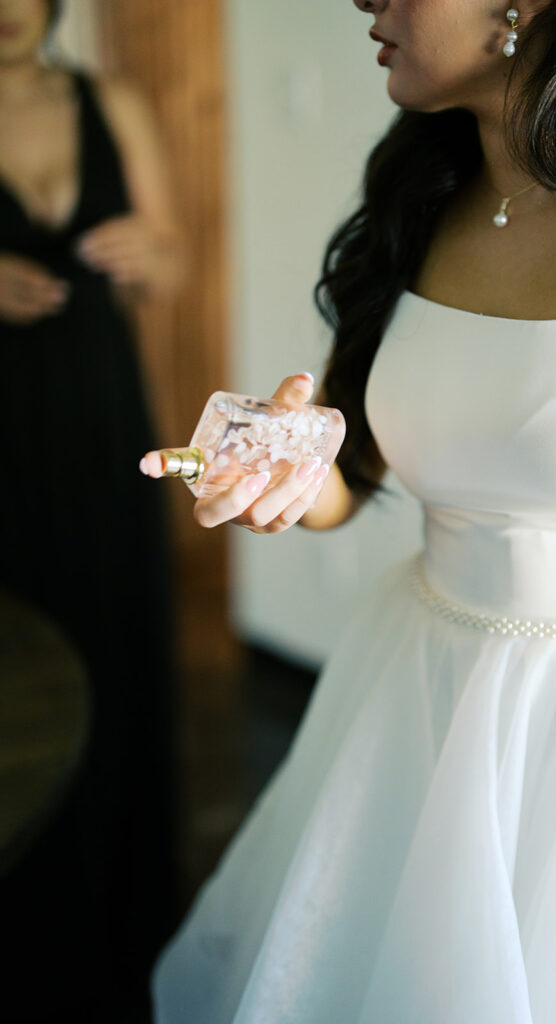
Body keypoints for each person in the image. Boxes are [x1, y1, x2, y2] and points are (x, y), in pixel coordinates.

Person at [151, 0, 556, 1021]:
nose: (363, 1)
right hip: (423, 697)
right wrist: (289, 468)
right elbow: (353, 473)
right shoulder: (425, 185)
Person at [0, 0, 184, 1019]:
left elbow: (174, 263)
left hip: (105, 425)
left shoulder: (109, 99)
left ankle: (123, 930)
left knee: (117, 656)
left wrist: (149, 256)